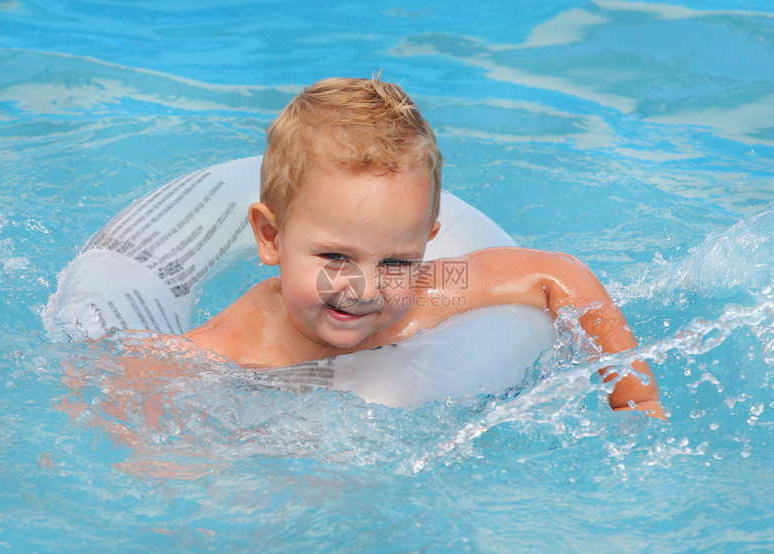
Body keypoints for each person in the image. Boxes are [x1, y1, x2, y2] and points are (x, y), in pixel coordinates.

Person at [185, 76, 666, 419]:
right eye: (336, 257)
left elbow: (557, 273)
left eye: (397, 260)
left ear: (426, 244)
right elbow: (149, 371)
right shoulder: (239, 346)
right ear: (271, 238)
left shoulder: (430, 288)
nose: (367, 288)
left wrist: (633, 394)